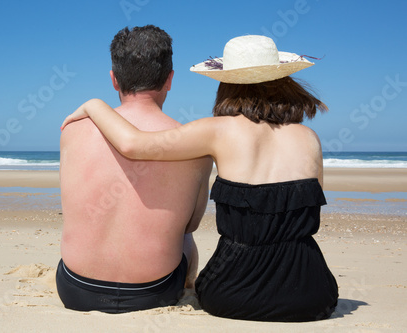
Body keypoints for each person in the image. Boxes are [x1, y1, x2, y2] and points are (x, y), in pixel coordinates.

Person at [61, 35, 339, 321]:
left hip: (234, 293)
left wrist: (95, 105)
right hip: (310, 293)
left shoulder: (216, 131)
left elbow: (132, 144)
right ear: (284, 82)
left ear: (226, 83)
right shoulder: (309, 139)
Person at [56, 25, 213, 314]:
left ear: (114, 80)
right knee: (185, 236)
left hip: (74, 288)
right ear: (169, 80)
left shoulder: (72, 130)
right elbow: (191, 224)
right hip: (154, 293)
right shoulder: (194, 145)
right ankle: (187, 287)